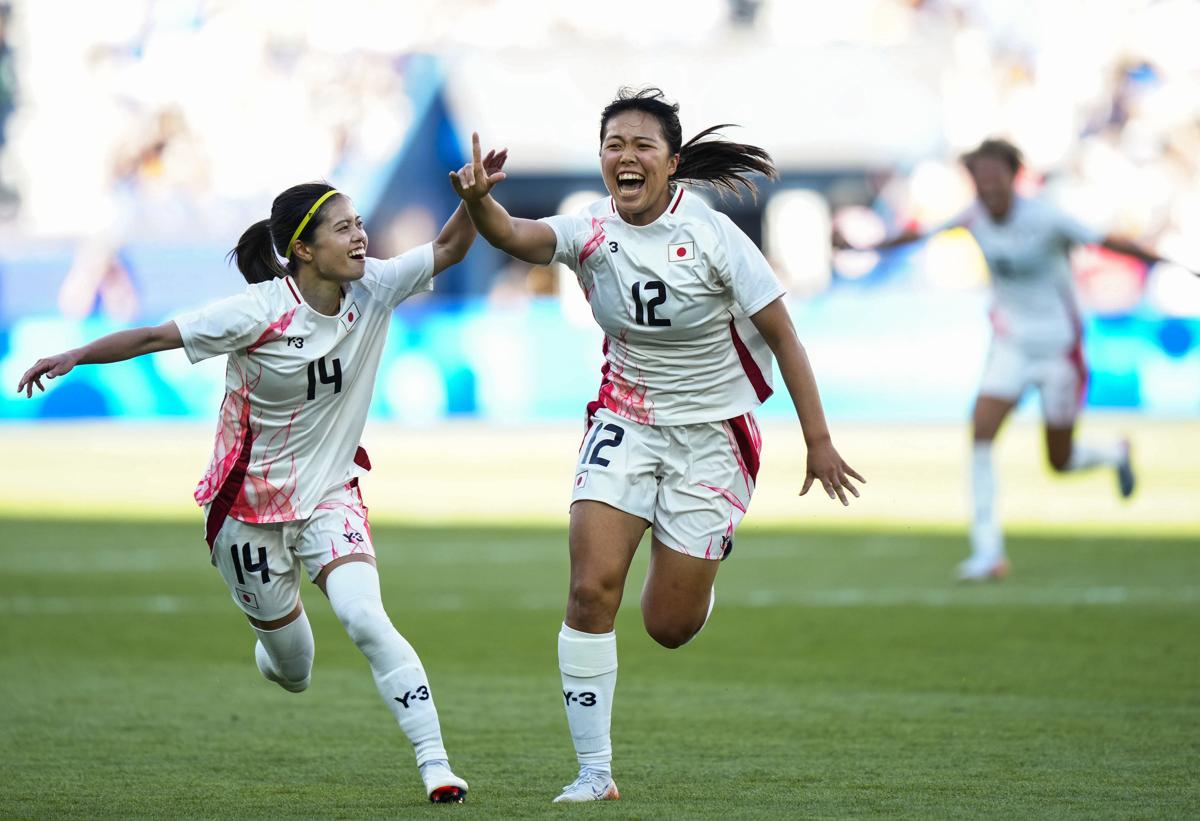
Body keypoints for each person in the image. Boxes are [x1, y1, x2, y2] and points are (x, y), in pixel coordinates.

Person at [17, 152, 507, 804]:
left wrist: (474, 200)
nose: (360, 237)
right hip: (245, 512)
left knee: (366, 617)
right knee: (294, 668)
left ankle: (437, 766)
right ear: (302, 249)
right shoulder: (255, 312)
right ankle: (271, 642)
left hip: (330, 495)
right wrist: (75, 353)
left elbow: (447, 248)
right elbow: (154, 338)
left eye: (360, 224)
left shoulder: (376, 286)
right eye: (343, 228)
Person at [449, 87, 863, 803]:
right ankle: (593, 773)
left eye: (643, 145)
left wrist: (818, 441)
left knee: (668, 625)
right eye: (614, 145)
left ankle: (699, 567)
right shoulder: (590, 229)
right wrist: (481, 201)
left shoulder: (712, 236)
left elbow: (784, 336)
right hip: (625, 421)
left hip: (713, 436)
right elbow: (513, 236)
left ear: (672, 162)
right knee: (589, 589)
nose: (626, 156)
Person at [835, 138, 1173, 581]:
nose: (988, 185)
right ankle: (988, 553)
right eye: (980, 177)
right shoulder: (972, 214)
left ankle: (1114, 452)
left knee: (1060, 461)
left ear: (1014, 176)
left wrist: (1171, 263)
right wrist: (865, 248)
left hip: (1059, 350)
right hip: (1011, 346)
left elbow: (1108, 241)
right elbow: (919, 235)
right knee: (980, 435)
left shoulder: (1047, 216)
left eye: (995, 176)